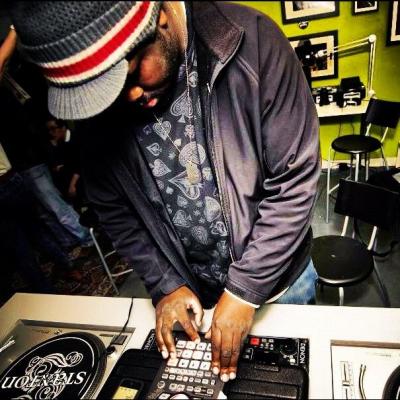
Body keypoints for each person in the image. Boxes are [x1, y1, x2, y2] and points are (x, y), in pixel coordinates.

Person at [9, 1, 320, 382]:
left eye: (130, 72)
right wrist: (166, 283)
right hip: (197, 293)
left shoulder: (254, 41)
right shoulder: (99, 102)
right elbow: (115, 210)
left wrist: (244, 291)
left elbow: (293, 180)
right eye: (106, 92)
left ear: (157, 16)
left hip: (279, 285)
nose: (128, 96)